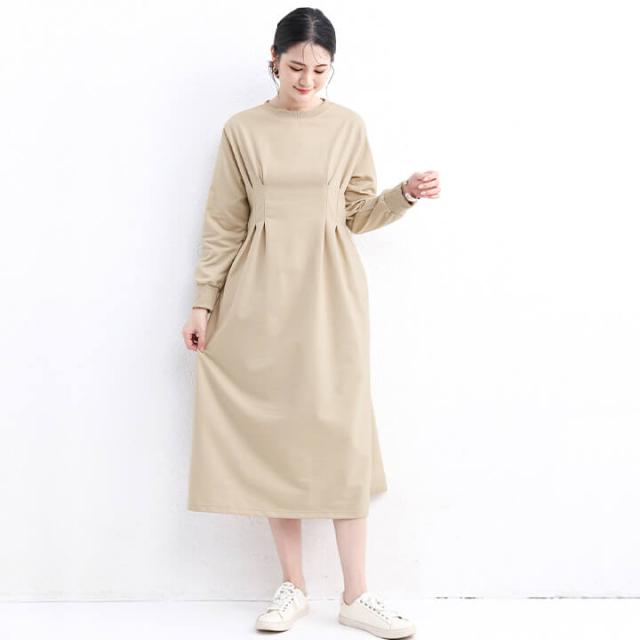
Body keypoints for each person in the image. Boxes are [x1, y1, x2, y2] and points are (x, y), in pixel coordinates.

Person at [181, 8, 440, 639]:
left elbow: (356, 214)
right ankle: (293, 586)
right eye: (296, 67)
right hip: (259, 296)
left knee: (343, 434)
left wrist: (403, 195)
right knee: (277, 432)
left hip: (331, 294)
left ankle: (357, 594)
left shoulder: (347, 126)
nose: (307, 80)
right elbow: (224, 223)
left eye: (320, 70)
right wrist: (203, 301)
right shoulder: (242, 130)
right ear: (272, 60)